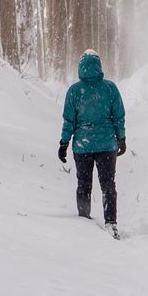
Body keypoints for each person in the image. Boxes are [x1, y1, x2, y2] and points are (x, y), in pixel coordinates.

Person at [56, 49, 126, 234]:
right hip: (106, 145)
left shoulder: (75, 91)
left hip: (83, 146)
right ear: (99, 66)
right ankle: (111, 222)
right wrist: (121, 138)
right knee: (108, 184)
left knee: (84, 184)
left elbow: (69, 120)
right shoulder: (110, 88)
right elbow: (118, 116)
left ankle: (84, 220)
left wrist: (64, 143)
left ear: (81, 68)